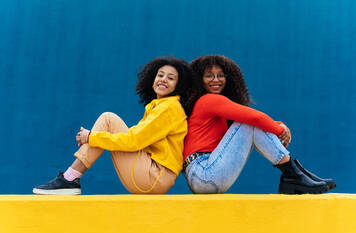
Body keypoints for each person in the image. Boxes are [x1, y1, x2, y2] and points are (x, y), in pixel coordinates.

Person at [33, 56, 192, 195]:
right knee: (108, 123)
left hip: (154, 176)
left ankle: (70, 178)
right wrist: (93, 138)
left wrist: (91, 137)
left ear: (177, 86)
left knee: (108, 119)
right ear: (153, 79)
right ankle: (70, 178)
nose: (163, 79)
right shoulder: (160, 106)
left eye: (171, 78)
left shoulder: (169, 108)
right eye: (160, 75)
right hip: (153, 176)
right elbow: (135, 140)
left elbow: (133, 141)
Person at [183, 55, 336, 194]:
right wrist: (279, 129)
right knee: (248, 124)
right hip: (203, 173)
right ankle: (293, 174)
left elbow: (254, 121)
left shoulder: (213, 107)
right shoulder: (209, 100)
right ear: (199, 80)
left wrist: (277, 125)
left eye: (220, 75)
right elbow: (254, 119)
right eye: (209, 76)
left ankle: (296, 173)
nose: (215, 80)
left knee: (249, 123)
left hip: (204, 175)